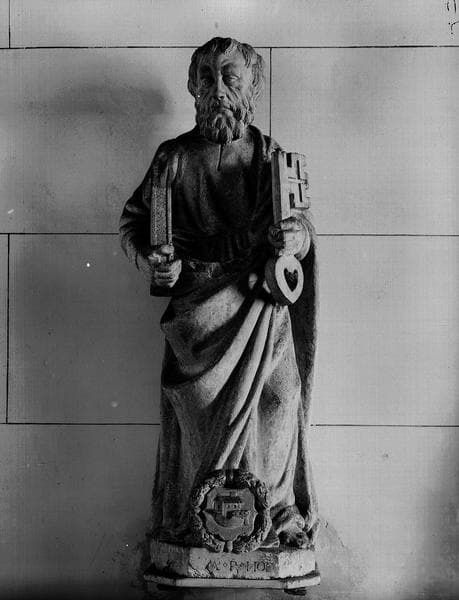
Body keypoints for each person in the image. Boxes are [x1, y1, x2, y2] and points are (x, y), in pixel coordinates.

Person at [119, 37, 318, 550]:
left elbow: (301, 225)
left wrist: (295, 238)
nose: (218, 91)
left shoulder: (272, 157)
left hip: (262, 304)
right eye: (207, 79)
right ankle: (201, 522)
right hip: (198, 316)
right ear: (193, 87)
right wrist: (154, 259)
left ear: (252, 87)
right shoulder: (173, 158)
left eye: (230, 78)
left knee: (279, 401)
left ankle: (276, 517)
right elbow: (136, 223)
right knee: (201, 415)